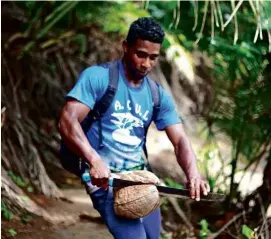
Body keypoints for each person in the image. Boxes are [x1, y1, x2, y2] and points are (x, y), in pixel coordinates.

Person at [58, 17, 210, 239]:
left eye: (153, 58)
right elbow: (67, 120)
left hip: (141, 179)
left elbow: (180, 141)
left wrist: (193, 174)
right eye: (141, 54)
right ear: (125, 46)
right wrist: (94, 160)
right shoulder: (98, 78)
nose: (146, 64)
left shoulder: (157, 94)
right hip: (105, 180)